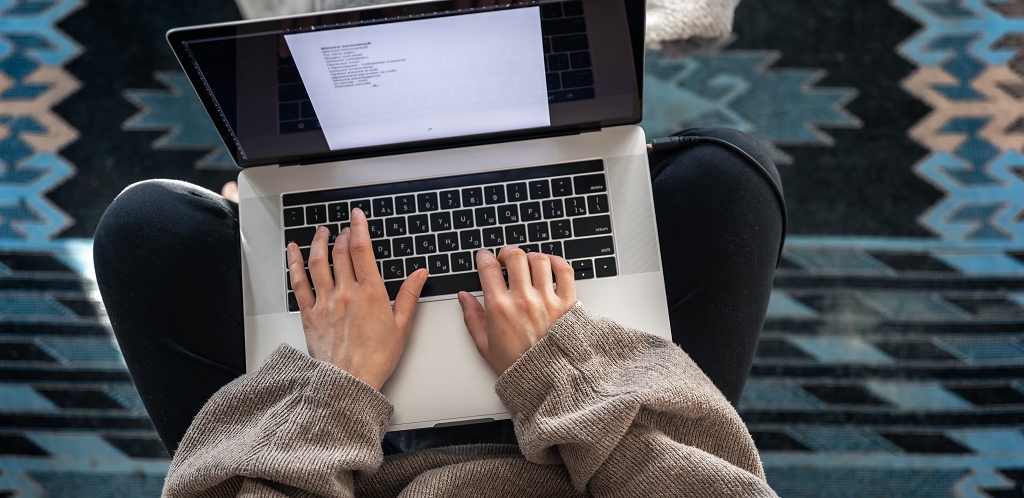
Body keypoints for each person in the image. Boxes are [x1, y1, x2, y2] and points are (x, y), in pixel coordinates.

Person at [94, 127, 784, 496]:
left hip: (345, 466)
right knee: (728, 180)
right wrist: (563, 373)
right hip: (581, 464)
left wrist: (335, 386)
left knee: (148, 233)